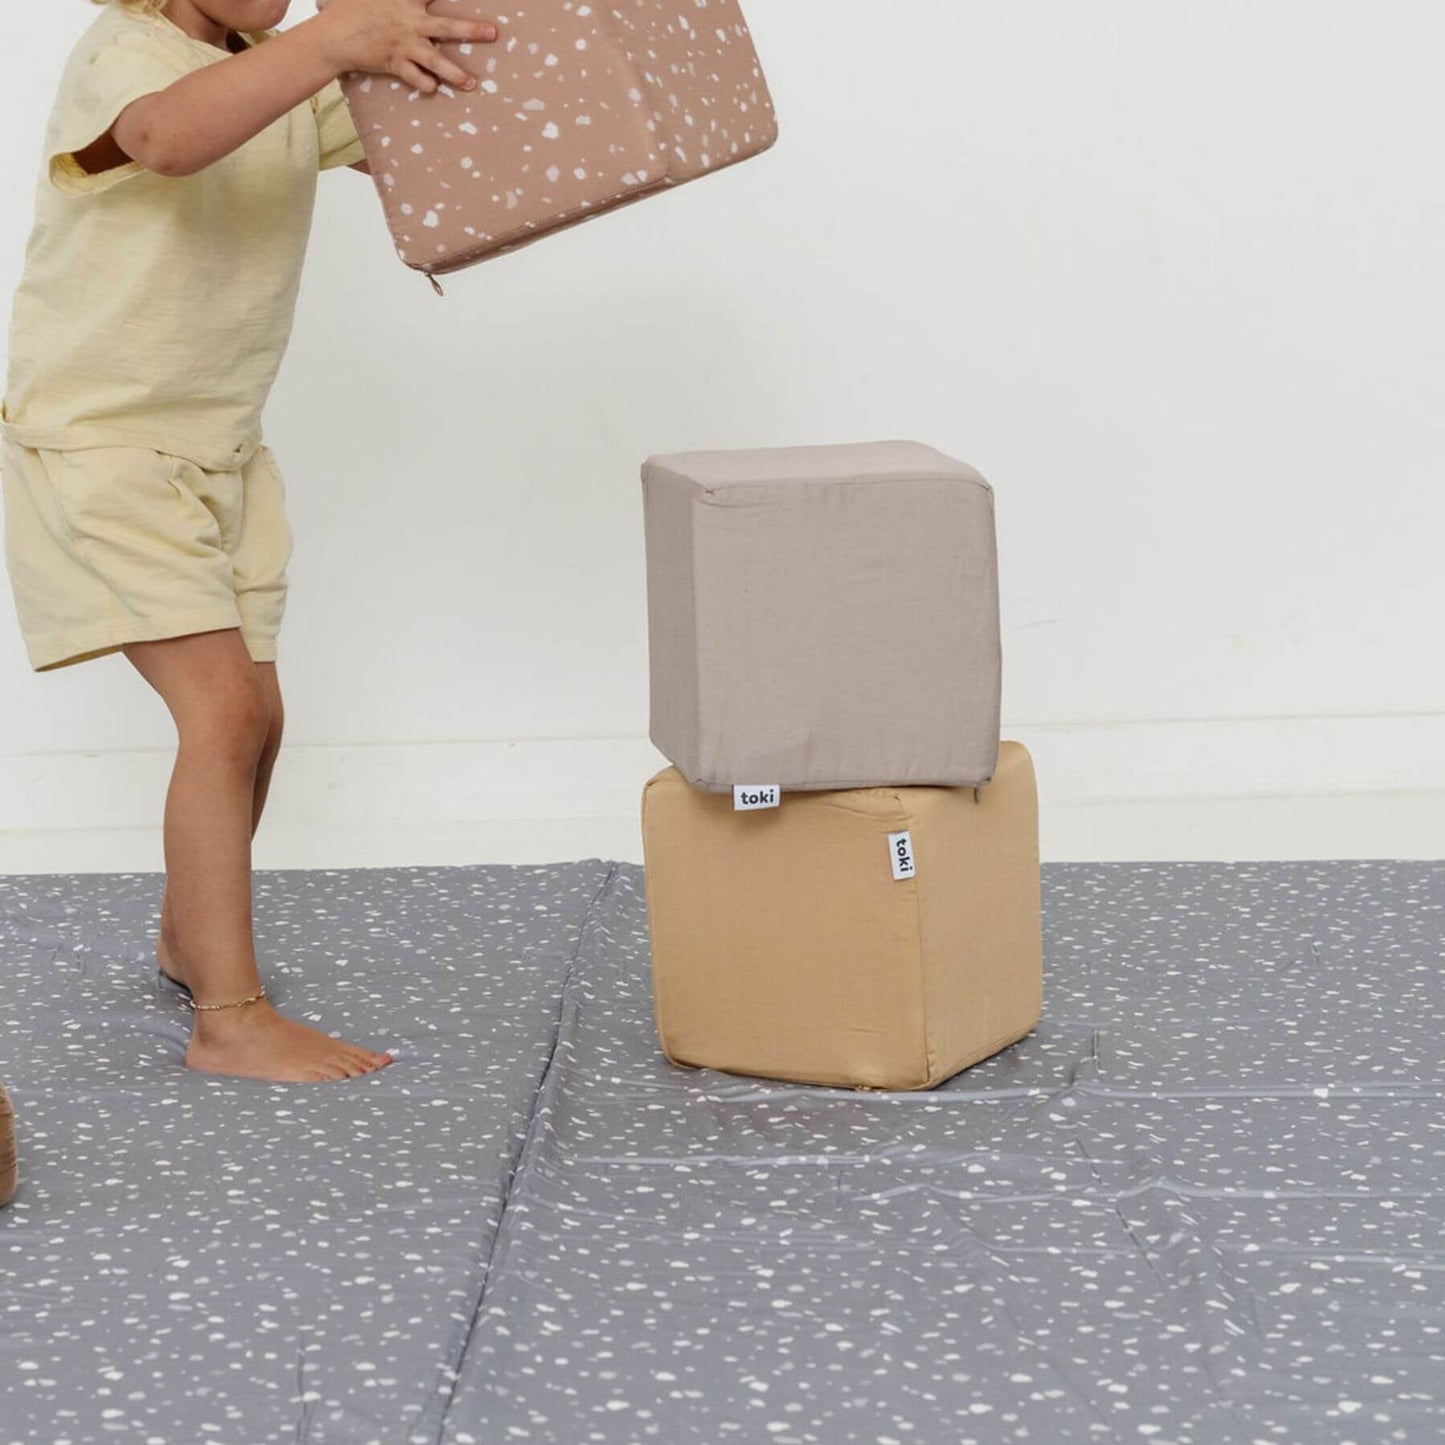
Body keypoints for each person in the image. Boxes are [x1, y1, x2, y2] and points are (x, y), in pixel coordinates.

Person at [0, 0, 498, 1080]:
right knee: (220, 714)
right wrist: (327, 42)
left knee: (260, 717)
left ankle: (189, 934)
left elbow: (405, 136)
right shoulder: (123, 53)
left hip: (220, 446)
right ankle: (228, 1018)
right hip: (105, 446)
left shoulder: (275, 67)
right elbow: (166, 140)